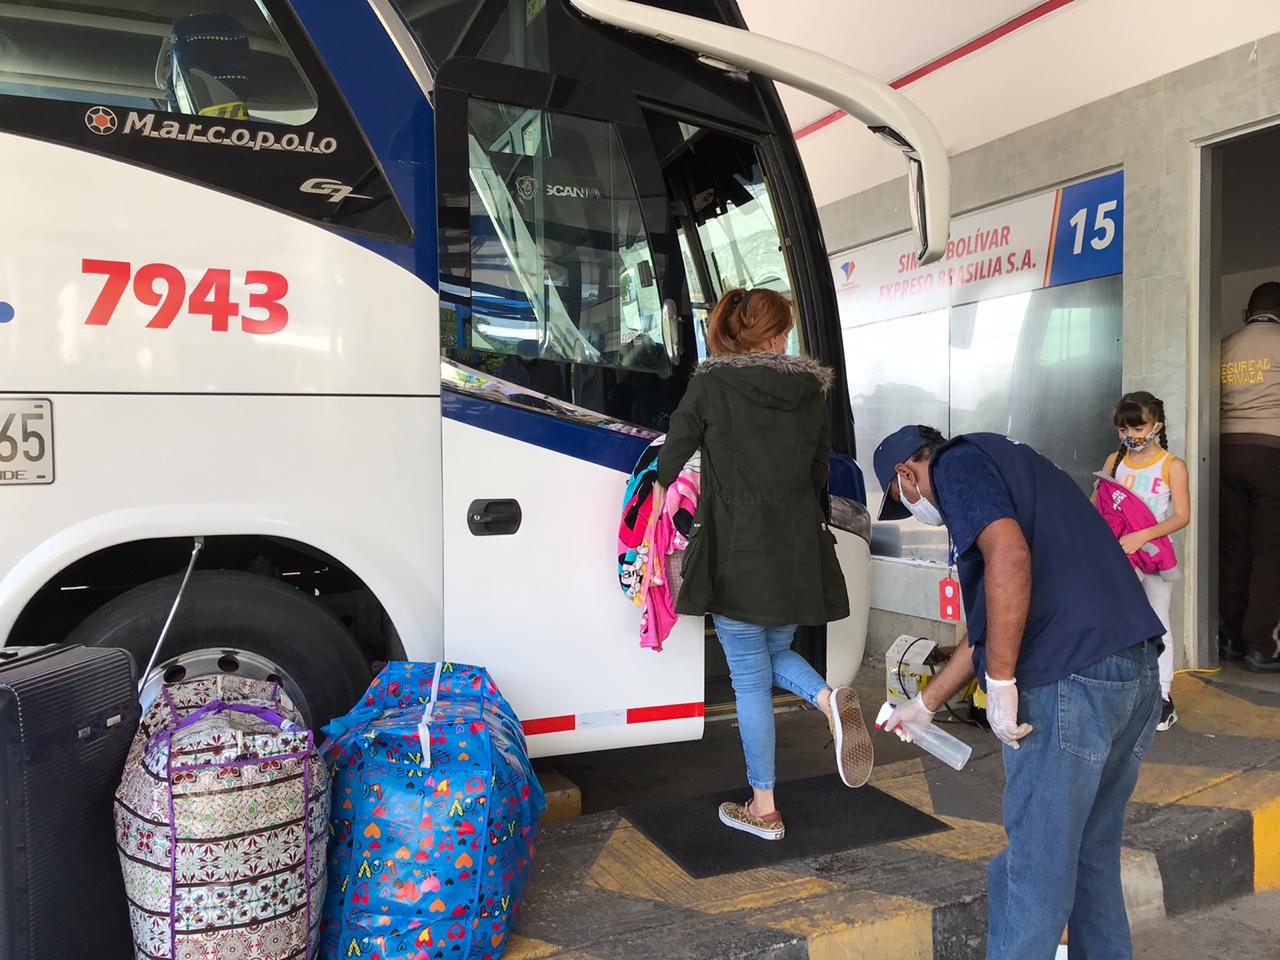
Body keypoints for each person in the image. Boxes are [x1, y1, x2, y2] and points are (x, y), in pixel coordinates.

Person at [875, 425, 1164, 960]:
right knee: (1091, 859)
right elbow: (989, 625)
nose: (914, 509)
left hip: (1072, 679)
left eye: (901, 498)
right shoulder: (1012, 464)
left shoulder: (955, 465)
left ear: (906, 474)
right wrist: (925, 704)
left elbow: (1008, 557)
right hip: (1134, 671)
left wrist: (1002, 681)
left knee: (1032, 872)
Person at [656, 287, 871, 842]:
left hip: (736, 549)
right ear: (775, 337)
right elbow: (819, 471)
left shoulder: (711, 384)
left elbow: (674, 450)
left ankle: (765, 807)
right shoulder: (809, 389)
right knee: (773, 652)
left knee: (750, 679)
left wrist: (657, 499)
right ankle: (827, 698)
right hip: (796, 548)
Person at [1099, 392, 1190, 728]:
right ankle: (1120, 690)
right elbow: (1098, 504)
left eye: (1138, 428)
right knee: (1116, 622)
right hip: (1118, 555)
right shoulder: (1114, 461)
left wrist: (1143, 535)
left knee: (1157, 623)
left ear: (1157, 426)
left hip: (1153, 556)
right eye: (1123, 430)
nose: (1131, 436)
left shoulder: (1172, 465)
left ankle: (1162, 696)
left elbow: (1182, 516)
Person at [1219, 281, 1280, 671]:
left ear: (1246, 314)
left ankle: (1230, 638)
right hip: (1272, 453)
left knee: (1233, 547)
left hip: (1224, 452)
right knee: (1270, 550)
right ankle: (1261, 645)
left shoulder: (1224, 346)